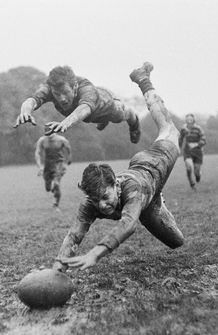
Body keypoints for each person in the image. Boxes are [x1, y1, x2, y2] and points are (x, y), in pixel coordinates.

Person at [53, 62, 184, 272]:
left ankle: (143, 79)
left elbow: (128, 224)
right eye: (96, 200)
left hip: (155, 161)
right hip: (144, 191)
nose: (102, 205)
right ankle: (156, 199)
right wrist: (58, 267)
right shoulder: (91, 202)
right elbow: (74, 234)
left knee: (168, 128)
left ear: (116, 185)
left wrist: (95, 253)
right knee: (177, 241)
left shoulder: (131, 188)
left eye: (105, 197)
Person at [14, 66, 141, 144]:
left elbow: (84, 109)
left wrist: (65, 123)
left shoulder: (86, 89)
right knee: (93, 122)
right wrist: (25, 112)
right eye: (57, 94)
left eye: (65, 93)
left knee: (120, 116)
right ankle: (102, 122)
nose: (62, 98)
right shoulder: (49, 88)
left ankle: (134, 122)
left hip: (106, 104)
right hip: (90, 114)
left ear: (75, 87)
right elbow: (32, 100)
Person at [35, 133, 72, 208]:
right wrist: (40, 166)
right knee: (48, 188)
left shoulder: (61, 139)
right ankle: (53, 189)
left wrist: (69, 158)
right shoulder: (42, 140)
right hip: (48, 165)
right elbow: (37, 152)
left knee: (56, 183)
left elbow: (68, 148)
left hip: (59, 164)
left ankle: (56, 203)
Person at [179, 114, 206, 189]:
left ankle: (198, 175)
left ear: (193, 120)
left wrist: (198, 144)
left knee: (196, 171)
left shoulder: (198, 128)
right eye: (187, 119)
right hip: (188, 151)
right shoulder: (183, 129)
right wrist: (179, 147)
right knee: (189, 167)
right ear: (186, 120)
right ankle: (191, 182)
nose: (189, 121)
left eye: (190, 119)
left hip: (198, 151)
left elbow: (203, 138)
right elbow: (180, 139)